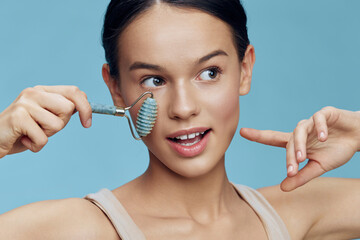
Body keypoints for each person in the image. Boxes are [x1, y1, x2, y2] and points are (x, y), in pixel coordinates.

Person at [0, 0, 359, 239]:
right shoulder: (80, 228)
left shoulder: (300, 211)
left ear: (245, 69)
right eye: (154, 81)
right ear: (116, 89)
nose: (183, 108)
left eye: (209, 72)